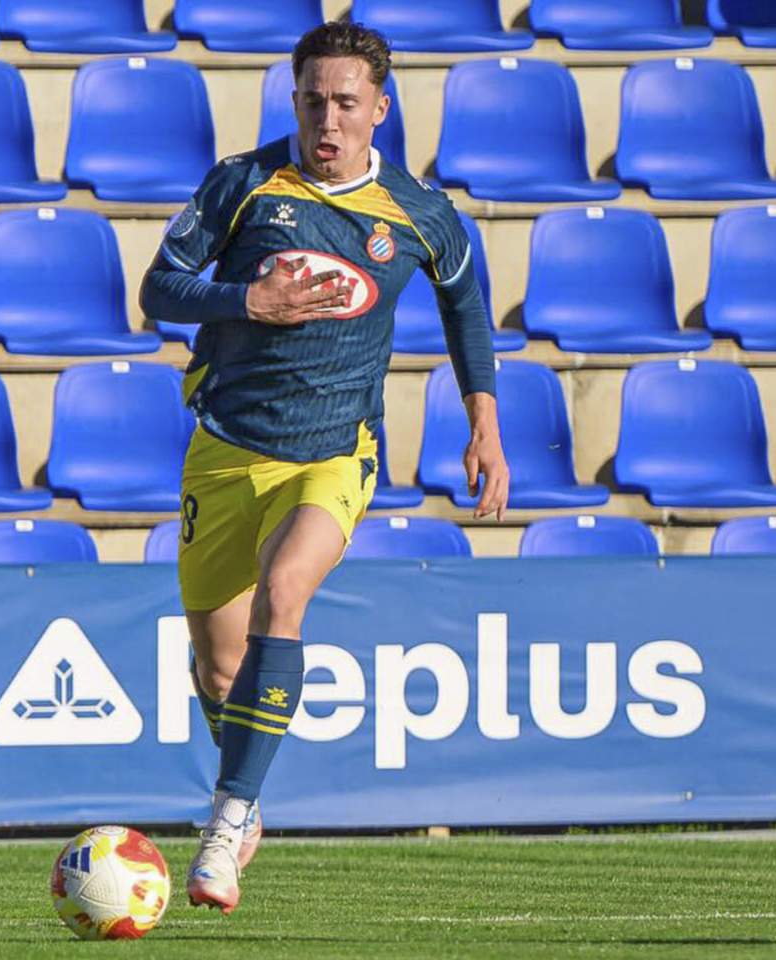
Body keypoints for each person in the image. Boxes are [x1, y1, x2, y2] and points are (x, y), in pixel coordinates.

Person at [140, 22, 510, 915]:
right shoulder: (242, 184)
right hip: (225, 450)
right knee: (220, 674)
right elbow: (157, 288)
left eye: (346, 103)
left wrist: (483, 422)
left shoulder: (418, 212)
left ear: (379, 109)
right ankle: (248, 794)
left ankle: (226, 820)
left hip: (334, 453)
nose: (327, 121)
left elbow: (465, 305)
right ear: (293, 99)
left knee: (285, 593)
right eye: (312, 101)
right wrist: (247, 300)